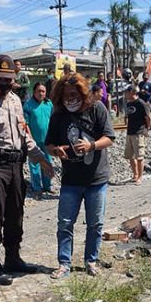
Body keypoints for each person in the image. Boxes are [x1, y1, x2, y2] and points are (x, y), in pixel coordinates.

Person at [0, 55, 54, 286]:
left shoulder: (15, 101)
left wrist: (41, 159)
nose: (4, 84)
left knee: (16, 213)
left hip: (17, 165)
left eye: (8, 79)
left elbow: (25, 135)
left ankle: (13, 258)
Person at [45, 73, 116, 279]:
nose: (71, 99)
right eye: (67, 95)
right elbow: (48, 144)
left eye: (75, 94)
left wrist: (91, 145)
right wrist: (56, 150)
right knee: (65, 223)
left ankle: (91, 261)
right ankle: (64, 264)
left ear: (83, 93)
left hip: (96, 179)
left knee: (95, 223)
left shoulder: (96, 108)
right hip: (71, 180)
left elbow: (109, 137)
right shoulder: (58, 114)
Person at [23, 82, 54, 196]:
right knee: (35, 164)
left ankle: (47, 186)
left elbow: (53, 120)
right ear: (34, 92)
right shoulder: (28, 105)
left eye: (43, 91)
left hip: (47, 140)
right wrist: (30, 138)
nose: (41, 93)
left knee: (47, 161)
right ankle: (37, 187)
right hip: (34, 141)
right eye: (38, 91)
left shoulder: (49, 104)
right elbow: (25, 124)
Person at [123, 84, 151, 184]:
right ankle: (135, 175)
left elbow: (147, 118)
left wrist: (147, 129)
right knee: (130, 155)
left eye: (126, 92)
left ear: (132, 92)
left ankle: (140, 177)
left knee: (139, 156)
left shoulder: (141, 103)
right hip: (130, 132)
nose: (125, 94)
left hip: (139, 132)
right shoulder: (129, 103)